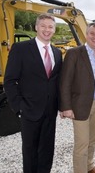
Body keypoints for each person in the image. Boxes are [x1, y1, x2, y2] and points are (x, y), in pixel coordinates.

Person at [4, 13, 62, 173]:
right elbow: (9, 80)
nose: (46, 30)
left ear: (54, 30)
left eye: (50, 27)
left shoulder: (57, 53)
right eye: (43, 26)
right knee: (30, 152)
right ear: (36, 27)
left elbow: (56, 82)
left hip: (50, 112)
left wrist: (61, 106)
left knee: (47, 151)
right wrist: (19, 107)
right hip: (29, 111)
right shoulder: (21, 49)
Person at [59, 22, 95, 173]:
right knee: (82, 143)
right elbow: (65, 81)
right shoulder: (74, 53)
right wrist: (66, 107)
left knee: (92, 140)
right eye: (92, 33)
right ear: (86, 35)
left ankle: (90, 166)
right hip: (80, 104)